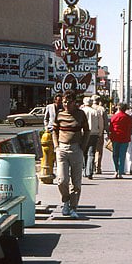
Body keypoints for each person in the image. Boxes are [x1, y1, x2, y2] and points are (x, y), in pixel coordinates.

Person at [52, 90, 89, 218]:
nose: (66, 104)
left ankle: (74, 207)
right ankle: (65, 201)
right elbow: (54, 131)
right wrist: (56, 146)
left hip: (76, 149)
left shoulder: (80, 114)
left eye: (68, 101)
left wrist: (83, 147)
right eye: (64, 102)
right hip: (62, 149)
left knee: (76, 182)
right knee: (62, 180)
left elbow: (87, 131)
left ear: (74, 102)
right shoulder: (60, 114)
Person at [109, 103, 132, 178]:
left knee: (115, 155)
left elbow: (111, 127)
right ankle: (120, 172)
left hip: (115, 138)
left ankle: (116, 170)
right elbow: (130, 128)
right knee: (122, 155)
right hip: (125, 139)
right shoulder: (128, 118)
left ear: (118, 108)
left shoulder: (114, 117)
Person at [80, 96, 100, 179]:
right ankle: (90, 172)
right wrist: (100, 133)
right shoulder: (95, 112)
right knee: (91, 153)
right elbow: (99, 124)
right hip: (94, 134)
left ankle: (84, 170)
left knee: (83, 153)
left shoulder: (81, 112)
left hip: (83, 134)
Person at [92, 95, 109, 174]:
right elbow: (105, 123)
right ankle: (98, 167)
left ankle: (90, 167)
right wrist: (108, 133)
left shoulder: (86, 108)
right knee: (99, 151)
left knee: (90, 150)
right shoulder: (102, 109)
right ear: (99, 101)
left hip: (88, 133)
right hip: (99, 133)